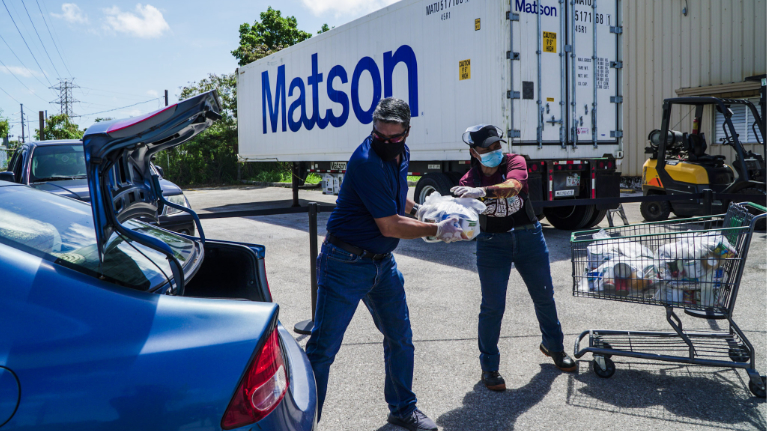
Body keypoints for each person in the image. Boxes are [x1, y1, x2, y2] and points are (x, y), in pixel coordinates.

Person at [305, 98, 463, 431]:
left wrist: (420, 209)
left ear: (407, 131)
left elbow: (396, 195)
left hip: (382, 264)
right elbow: (390, 226)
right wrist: (437, 229)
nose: (387, 143)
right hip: (344, 262)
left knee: (400, 338)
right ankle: (302, 423)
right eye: (381, 135)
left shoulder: (400, 153)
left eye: (395, 137)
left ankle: (403, 409)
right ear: (373, 128)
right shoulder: (365, 161)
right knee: (322, 350)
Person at [450, 124, 576, 392]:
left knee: (544, 295)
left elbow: (514, 186)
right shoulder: (467, 182)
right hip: (492, 244)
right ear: (474, 152)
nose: (495, 151)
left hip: (528, 236)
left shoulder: (514, 162)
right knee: (493, 306)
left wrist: (483, 192)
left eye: (497, 145)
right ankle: (489, 366)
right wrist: (450, 218)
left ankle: (554, 347)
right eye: (487, 148)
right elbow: (466, 222)